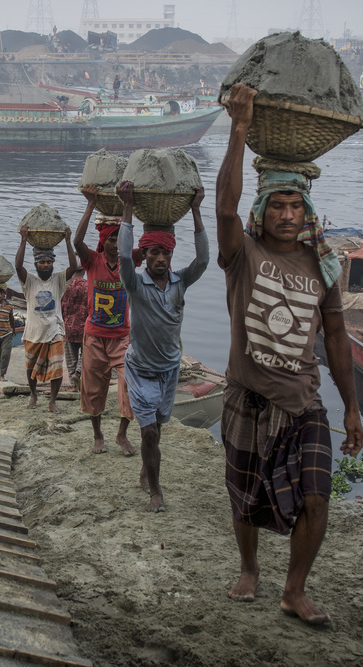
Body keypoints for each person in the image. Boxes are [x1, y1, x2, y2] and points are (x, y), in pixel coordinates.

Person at [214, 82, 363, 625]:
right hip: (249, 396)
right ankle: (249, 567)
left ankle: (294, 589)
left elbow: (337, 339)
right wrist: (240, 127)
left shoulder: (322, 268)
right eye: (276, 204)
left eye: (294, 204)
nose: (286, 214)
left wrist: (350, 406)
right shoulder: (242, 254)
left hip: (305, 402)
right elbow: (224, 207)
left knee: (318, 497)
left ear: (307, 211)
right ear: (263, 209)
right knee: (245, 496)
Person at [116, 182, 209, 512]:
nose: (159, 258)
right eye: (153, 252)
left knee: (157, 427)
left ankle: (147, 466)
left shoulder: (180, 282)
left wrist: (196, 208)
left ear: (171, 255)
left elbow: (204, 258)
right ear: (146, 255)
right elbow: (123, 256)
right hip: (139, 370)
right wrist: (127, 206)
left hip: (169, 370)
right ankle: (156, 490)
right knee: (151, 431)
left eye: (165, 252)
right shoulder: (136, 283)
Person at [73, 184, 134, 457]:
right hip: (95, 336)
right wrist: (91, 204)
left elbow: (147, 247)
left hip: (122, 337)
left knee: (130, 386)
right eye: (111, 239)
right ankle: (98, 435)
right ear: (104, 242)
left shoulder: (129, 262)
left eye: (120, 239)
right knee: (93, 391)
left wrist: (129, 206)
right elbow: (76, 243)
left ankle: (122, 433)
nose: (115, 243)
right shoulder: (93, 261)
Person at [15, 226, 78, 413]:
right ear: (36, 264)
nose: (45, 265)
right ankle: (33, 393)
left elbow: (74, 267)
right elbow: (18, 266)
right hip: (34, 333)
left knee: (57, 369)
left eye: (48, 262)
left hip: (54, 331)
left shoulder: (58, 280)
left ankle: (52, 401)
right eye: (41, 262)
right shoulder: (30, 281)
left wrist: (68, 240)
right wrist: (24, 240)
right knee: (31, 367)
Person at [60, 263, 87, 392]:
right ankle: (78, 373)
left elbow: (59, 307)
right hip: (85, 327)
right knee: (86, 354)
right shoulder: (88, 286)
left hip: (67, 327)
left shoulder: (64, 285)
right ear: (84, 269)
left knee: (71, 358)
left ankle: (74, 386)